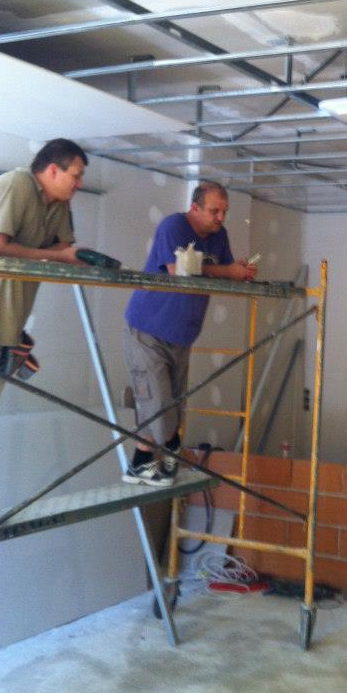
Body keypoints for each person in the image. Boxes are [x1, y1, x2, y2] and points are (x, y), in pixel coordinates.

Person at [122, 180, 257, 487]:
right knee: (157, 401)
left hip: (182, 335)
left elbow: (225, 274)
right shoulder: (174, 226)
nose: (221, 217)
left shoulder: (219, 236)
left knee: (169, 403)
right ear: (195, 208)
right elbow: (177, 270)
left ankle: (141, 462)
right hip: (147, 328)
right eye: (214, 211)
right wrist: (229, 271)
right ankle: (172, 448)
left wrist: (240, 272)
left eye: (224, 211)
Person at [0, 139, 86, 425]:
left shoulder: (59, 203)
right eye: (76, 176)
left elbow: (65, 248)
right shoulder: (17, 184)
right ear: (53, 170)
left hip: (7, 331)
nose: (79, 184)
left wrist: (64, 255)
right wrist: (54, 255)